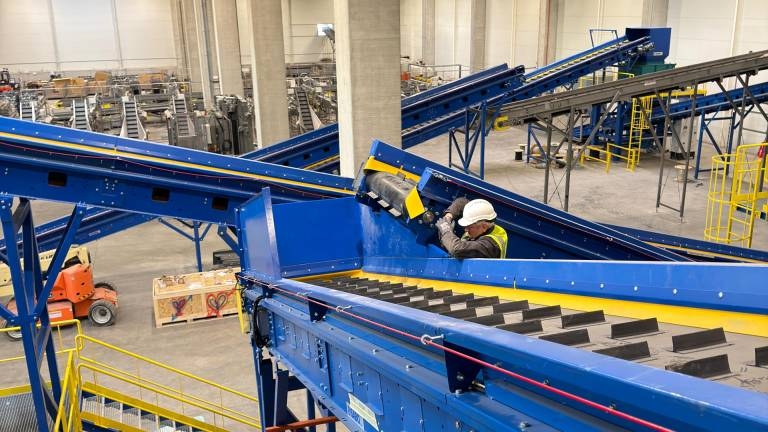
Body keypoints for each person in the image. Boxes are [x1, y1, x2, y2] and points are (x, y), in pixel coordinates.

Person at [435, 198, 508, 259]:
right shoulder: (483, 223)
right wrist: (448, 217)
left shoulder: (489, 246)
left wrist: (445, 230)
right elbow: (461, 202)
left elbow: (457, 249)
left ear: (484, 227)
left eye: (469, 227)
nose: (466, 230)